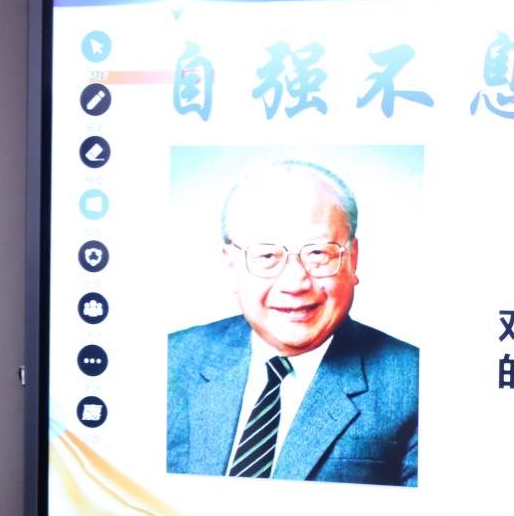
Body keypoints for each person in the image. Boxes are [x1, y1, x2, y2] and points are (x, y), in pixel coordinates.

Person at [167, 160, 418, 487]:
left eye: (318, 253)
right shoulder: (171, 360)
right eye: (267, 256)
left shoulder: (417, 384)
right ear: (231, 266)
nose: (295, 283)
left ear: (352, 259)